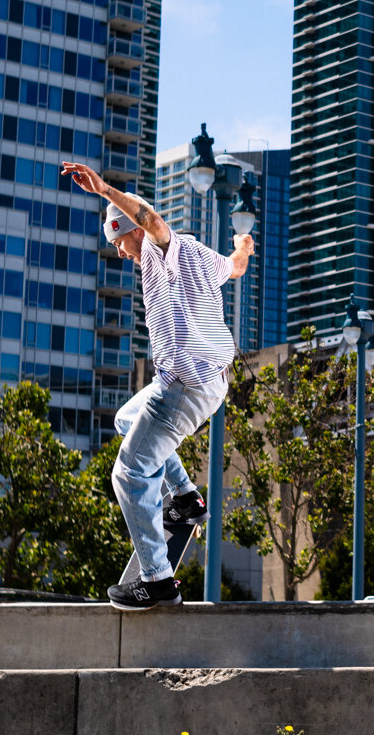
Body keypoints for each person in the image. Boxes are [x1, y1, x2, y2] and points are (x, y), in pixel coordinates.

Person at [60, 160, 253, 609]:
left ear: (130, 231)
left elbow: (151, 221)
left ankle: (157, 580)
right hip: (208, 384)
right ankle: (185, 498)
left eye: (119, 241)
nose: (121, 253)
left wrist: (104, 188)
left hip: (181, 387)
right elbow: (237, 267)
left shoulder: (161, 249)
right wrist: (242, 244)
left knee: (128, 474)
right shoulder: (204, 257)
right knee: (126, 418)